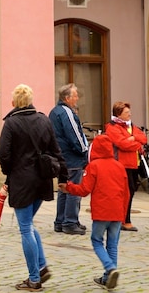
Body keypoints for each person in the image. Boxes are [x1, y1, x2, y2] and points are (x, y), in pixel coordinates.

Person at [0, 84, 66, 291]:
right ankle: (42, 266)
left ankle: (34, 278)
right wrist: (63, 176)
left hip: (22, 181)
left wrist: (9, 172)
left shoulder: (11, 123)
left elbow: (3, 154)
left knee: (25, 227)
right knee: (29, 224)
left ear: (13, 103)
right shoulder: (44, 120)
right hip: (42, 179)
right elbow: (56, 149)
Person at [61, 133, 129, 290]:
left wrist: (69, 187)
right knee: (112, 245)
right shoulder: (119, 166)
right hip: (117, 212)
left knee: (97, 240)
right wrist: (123, 214)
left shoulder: (94, 167)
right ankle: (107, 278)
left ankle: (110, 268)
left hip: (102, 212)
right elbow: (126, 193)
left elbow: (84, 190)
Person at [50, 83, 89, 235]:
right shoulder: (67, 112)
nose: (77, 97)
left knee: (63, 189)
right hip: (71, 157)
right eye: (75, 95)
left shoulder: (55, 111)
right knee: (73, 190)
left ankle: (61, 221)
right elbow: (75, 136)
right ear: (67, 98)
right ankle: (70, 222)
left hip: (61, 155)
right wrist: (84, 151)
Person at [104, 101, 147, 231]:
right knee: (125, 193)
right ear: (119, 114)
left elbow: (143, 138)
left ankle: (124, 219)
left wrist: (132, 139)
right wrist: (136, 142)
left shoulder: (130, 126)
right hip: (122, 165)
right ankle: (123, 220)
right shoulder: (112, 127)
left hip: (134, 164)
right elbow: (122, 144)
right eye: (127, 113)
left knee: (131, 192)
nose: (130, 114)